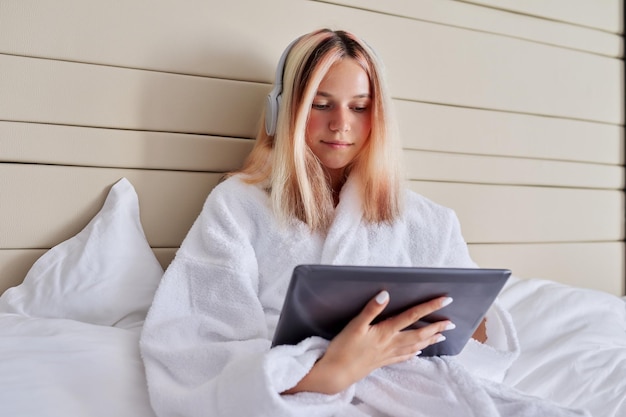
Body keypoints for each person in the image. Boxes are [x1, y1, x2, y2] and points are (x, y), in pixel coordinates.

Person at [140, 29, 588, 417]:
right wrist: (334, 369)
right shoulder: (237, 207)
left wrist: (462, 322)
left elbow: (478, 343)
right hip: (299, 396)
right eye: (321, 104)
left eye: (359, 106)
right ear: (284, 112)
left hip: (410, 391)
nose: (341, 125)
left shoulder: (424, 219)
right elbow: (194, 345)